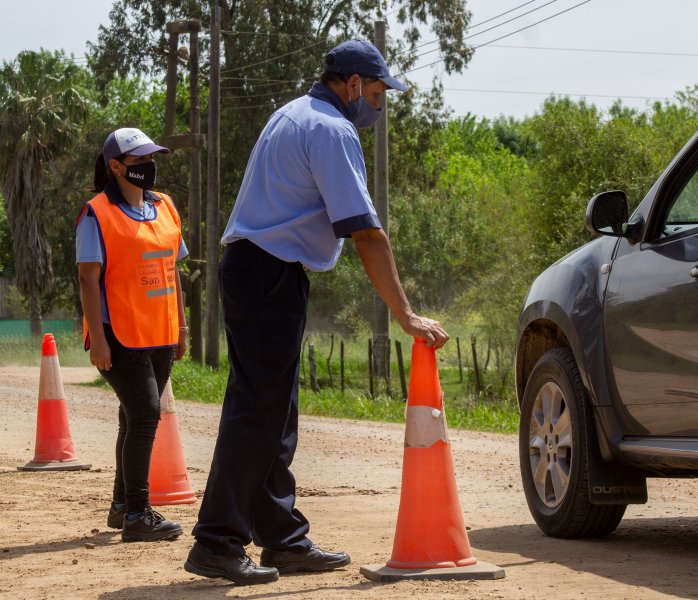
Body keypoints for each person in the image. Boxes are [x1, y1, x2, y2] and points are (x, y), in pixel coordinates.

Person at [184, 39, 449, 585]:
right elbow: (367, 233)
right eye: (376, 94)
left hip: (260, 269)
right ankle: (216, 541)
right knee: (257, 410)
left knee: (275, 412)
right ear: (352, 85)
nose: (378, 105)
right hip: (267, 272)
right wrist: (406, 315)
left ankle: (282, 538)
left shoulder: (291, 114)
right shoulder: (331, 129)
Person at [76, 127, 189, 542]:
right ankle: (139, 514)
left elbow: (173, 271)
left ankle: (122, 506)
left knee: (133, 416)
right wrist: (98, 340)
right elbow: (89, 279)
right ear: (116, 166)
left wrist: (181, 326)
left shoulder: (165, 208)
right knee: (144, 416)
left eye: (150, 159)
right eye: (139, 161)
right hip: (118, 334)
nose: (148, 166)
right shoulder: (96, 213)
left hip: (158, 331)